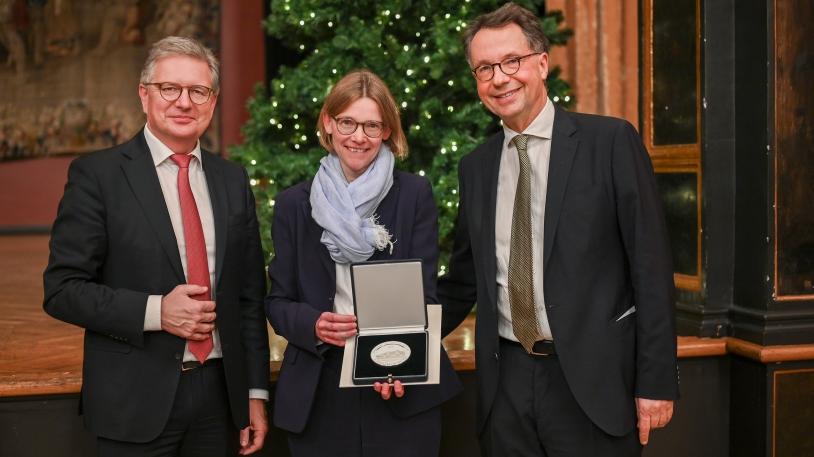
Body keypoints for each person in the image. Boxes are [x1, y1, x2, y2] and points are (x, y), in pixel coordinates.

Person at [438, 3, 679, 456]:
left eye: (513, 61)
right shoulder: (476, 167)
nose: (500, 78)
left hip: (593, 385)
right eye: (485, 68)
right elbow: (463, 281)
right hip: (505, 386)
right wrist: (395, 335)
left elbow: (651, 268)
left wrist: (658, 380)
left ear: (542, 63)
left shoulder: (610, 143)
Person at [43, 36, 270, 457]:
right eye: (170, 88)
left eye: (198, 91)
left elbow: (249, 298)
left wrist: (255, 392)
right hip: (134, 402)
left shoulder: (232, 181)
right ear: (144, 94)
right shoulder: (98, 177)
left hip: (221, 401)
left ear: (213, 101)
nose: (184, 102)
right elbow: (62, 291)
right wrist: (156, 312)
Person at [266, 69, 462, 457]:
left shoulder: (414, 195)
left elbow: (423, 293)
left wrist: (405, 362)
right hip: (319, 388)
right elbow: (277, 302)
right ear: (328, 123)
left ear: (387, 130)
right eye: (348, 123)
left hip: (400, 384)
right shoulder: (293, 204)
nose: (359, 137)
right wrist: (313, 324)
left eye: (372, 125)